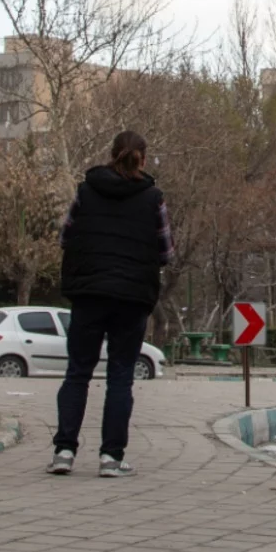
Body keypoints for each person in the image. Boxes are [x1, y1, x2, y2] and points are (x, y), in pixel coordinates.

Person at [50, 131, 173, 479]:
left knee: (78, 372)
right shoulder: (153, 198)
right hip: (132, 298)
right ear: (142, 159)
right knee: (120, 376)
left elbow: (66, 236)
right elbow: (165, 251)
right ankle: (111, 457)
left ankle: (64, 452)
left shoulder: (86, 191)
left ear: (112, 154)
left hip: (89, 293)